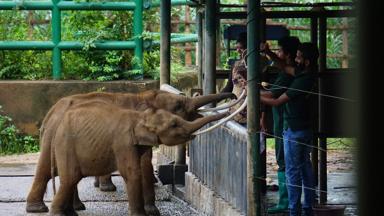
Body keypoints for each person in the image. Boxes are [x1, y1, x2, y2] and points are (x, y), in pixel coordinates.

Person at [260, 42, 319, 216]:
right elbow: (285, 67)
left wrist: (252, 95)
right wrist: (270, 53)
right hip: (303, 129)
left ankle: (294, 210)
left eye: (299, 57)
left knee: (293, 171)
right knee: (305, 168)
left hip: (295, 129)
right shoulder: (304, 72)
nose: (296, 59)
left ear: (306, 61)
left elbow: (276, 100)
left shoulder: (303, 79)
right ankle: (308, 206)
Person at [260, 36, 301, 214]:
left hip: (286, 123)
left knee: (284, 161)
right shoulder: (286, 71)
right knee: (292, 162)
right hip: (283, 121)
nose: (277, 54)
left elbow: (273, 96)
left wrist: (251, 91)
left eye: (280, 50)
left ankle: (287, 202)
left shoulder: (288, 74)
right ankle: (293, 201)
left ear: (289, 55)